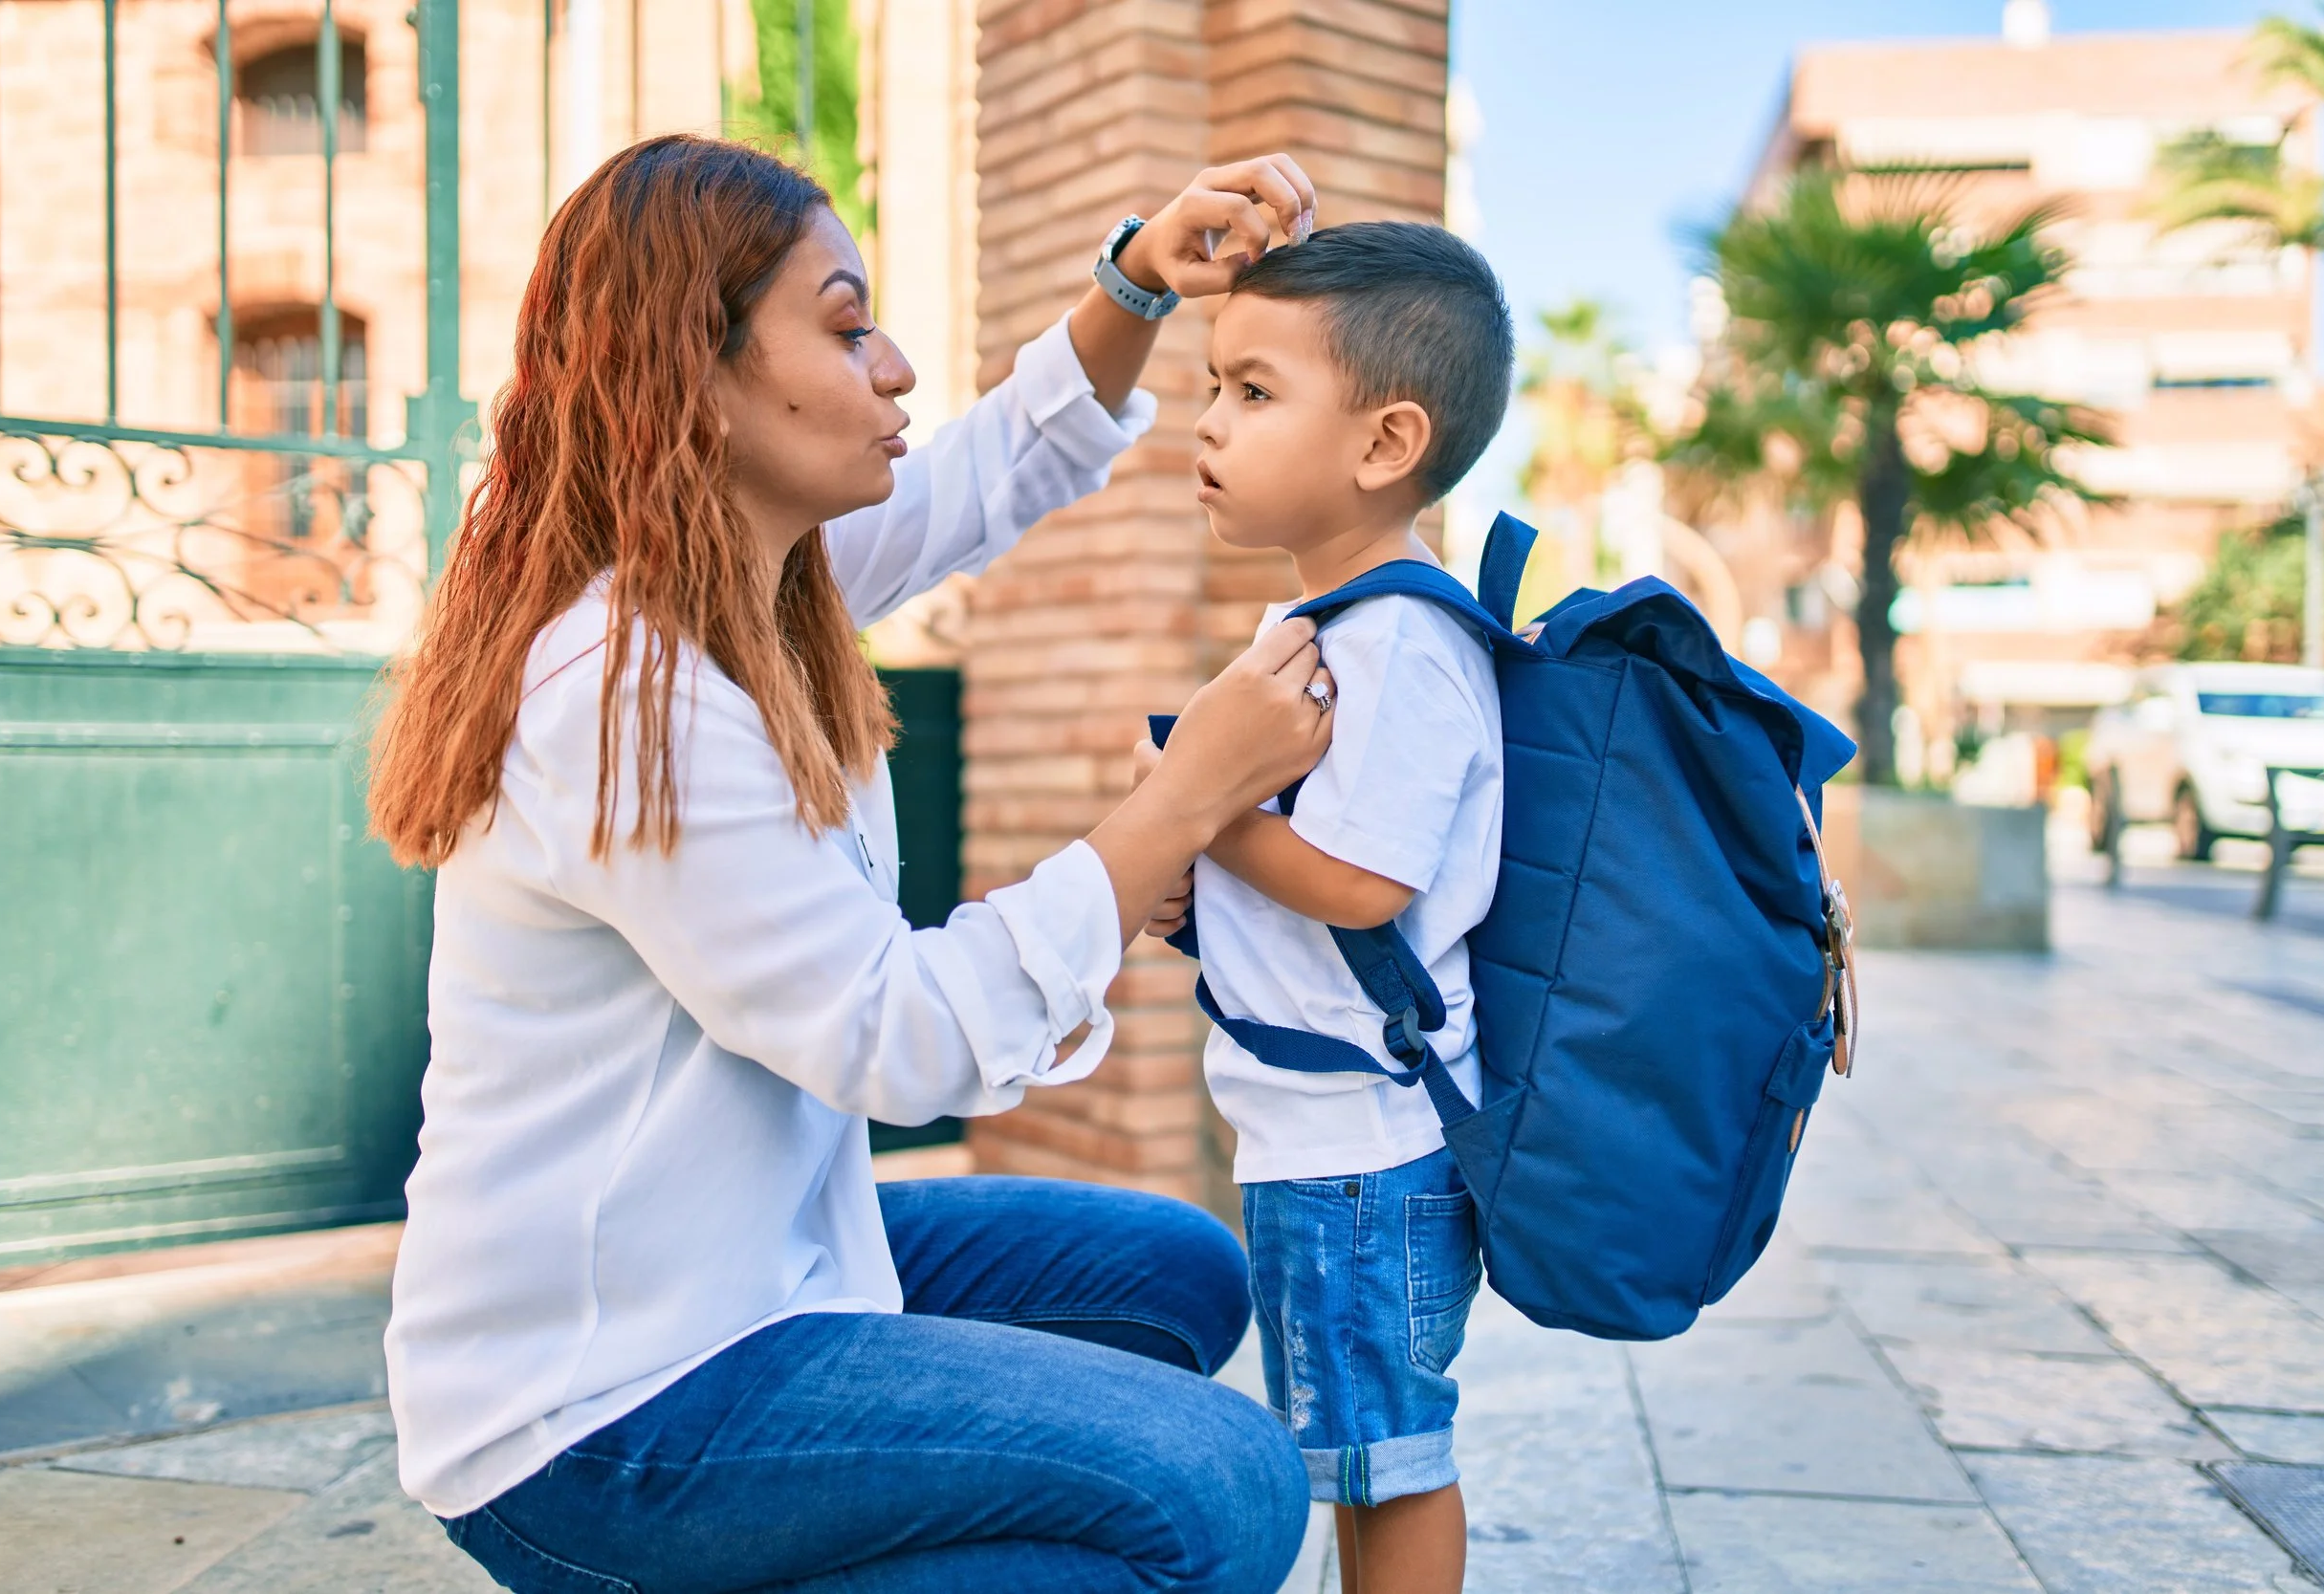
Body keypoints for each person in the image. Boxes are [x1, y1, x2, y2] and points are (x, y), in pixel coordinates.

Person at [366, 135, 1340, 1593]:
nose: (893, 368)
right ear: (693, 370)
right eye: (844, 322)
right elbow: (901, 1036)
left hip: (751, 1269)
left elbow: (988, 471)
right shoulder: (622, 690)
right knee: (1227, 1489)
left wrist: (1140, 279)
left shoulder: (755, 590)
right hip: (599, 1410)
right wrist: (1186, 797)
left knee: (1178, 1274)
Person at [1144, 223, 1516, 1594]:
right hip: (1313, 1139)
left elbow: (1365, 883)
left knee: (1391, 1458)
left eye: (1253, 391)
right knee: (1353, 1453)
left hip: (1367, 1149)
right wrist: (1198, 870)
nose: (1209, 421)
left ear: (1383, 441)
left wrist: (1205, 805)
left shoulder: (1406, 644)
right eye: (1211, 386)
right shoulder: (1317, 632)